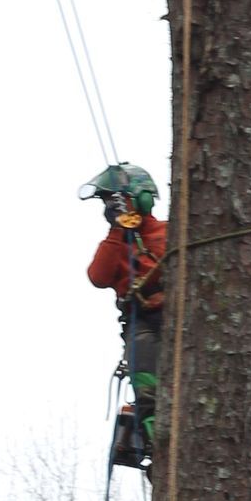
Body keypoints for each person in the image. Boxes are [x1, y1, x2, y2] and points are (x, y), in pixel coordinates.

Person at [80, 163, 167, 469]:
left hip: (174, 318)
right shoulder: (117, 243)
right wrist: (118, 228)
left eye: (115, 201)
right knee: (147, 388)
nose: (109, 208)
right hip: (141, 325)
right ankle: (159, 446)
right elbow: (99, 276)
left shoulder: (167, 233)